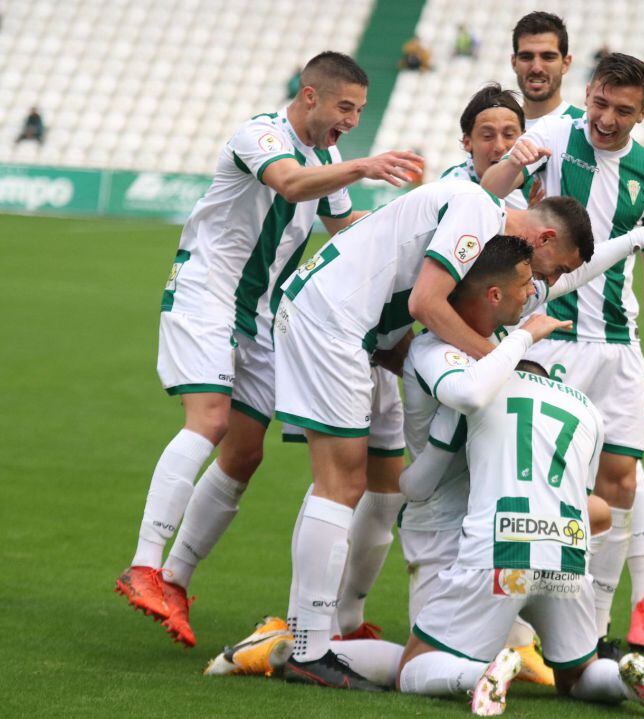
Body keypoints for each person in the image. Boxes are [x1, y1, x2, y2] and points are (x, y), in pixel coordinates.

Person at [113, 51, 423, 648]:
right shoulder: (260, 134)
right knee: (210, 419)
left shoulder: (328, 155)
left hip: (258, 317)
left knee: (244, 454)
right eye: (345, 107)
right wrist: (363, 166)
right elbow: (287, 181)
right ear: (310, 96)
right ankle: (145, 564)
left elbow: (345, 230)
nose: (352, 120)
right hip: (207, 294)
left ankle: (174, 578)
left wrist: (414, 227)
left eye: (359, 110)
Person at [271, 180, 596, 688]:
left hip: (350, 327)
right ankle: (308, 647)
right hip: (333, 320)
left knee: (356, 481)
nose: (542, 282)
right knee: (340, 482)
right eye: (553, 269)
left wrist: (640, 237)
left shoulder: (481, 217)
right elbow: (426, 303)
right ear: (545, 238)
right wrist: (501, 361)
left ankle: (314, 637)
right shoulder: (477, 211)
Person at [395, 241, 644, 716]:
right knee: (577, 675)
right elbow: (592, 505)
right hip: (568, 554)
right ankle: (628, 675)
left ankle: (481, 673)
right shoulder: (583, 409)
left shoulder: (479, 390)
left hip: (498, 553)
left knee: (414, 664)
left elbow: (419, 484)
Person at [484, 53, 644, 652]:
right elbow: (491, 192)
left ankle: (594, 626)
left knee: (620, 481)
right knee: (537, 482)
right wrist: (510, 163)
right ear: (590, 92)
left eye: (622, 110)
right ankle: (515, 624)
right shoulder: (553, 132)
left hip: (616, 345)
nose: (606, 118)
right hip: (549, 335)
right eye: (600, 102)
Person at [440, 83, 537, 209]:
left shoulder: (541, 182)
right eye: (487, 136)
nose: (500, 147)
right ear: (467, 142)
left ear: (524, 138)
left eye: (508, 135)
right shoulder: (451, 190)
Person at [510, 11, 584, 129]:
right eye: (526, 57)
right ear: (514, 62)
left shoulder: (586, 129)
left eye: (548, 57)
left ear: (565, 63)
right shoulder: (500, 134)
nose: (536, 68)